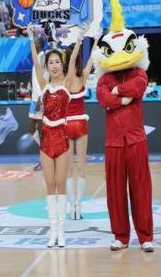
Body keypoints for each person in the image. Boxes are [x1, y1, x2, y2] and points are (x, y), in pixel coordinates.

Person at [96, 0, 154, 253]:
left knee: (141, 189)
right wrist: (122, 98)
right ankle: (120, 236)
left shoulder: (139, 72)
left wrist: (118, 93)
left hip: (136, 140)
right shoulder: (103, 79)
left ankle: (146, 237)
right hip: (114, 143)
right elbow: (104, 99)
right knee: (115, 192)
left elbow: (138, 87)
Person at [28, 27, 71, 248]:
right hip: (46, 141)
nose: (54, 65)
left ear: (62, 65)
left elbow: (75, 59)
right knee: (50, 186)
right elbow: (36, 65)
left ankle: (61, 232)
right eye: (51, 62)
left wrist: (80, 41)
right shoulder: (44, 87)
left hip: (62, 140)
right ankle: (52, 231)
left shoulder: (67, 84)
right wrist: (31, 39)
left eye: (57, 62)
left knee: (61, 187)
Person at [65, 31, 98, 220]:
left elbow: (72, 62)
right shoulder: (83, 76)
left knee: (70, 169)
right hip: (81, 124)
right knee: (82, 168)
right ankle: (78, 205)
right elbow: (92, 58)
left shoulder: (67, 79)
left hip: (68, 124)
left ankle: (72, 207)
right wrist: (96, 40)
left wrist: (79, 41)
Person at [28, 39, 46, 172]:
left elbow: (45, 77)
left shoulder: (43, 56)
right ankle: (46, 150)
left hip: (40, 98)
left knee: (41, 131)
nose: (34, 44)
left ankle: (44, 159)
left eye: (36, 42)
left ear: (40, 44)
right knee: (31, 129)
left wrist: (41, 96)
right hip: (34, 98)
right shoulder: (36, 56)